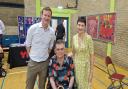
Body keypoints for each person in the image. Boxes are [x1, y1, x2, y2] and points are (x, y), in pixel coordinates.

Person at [25, 7, 56, 89]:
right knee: (29, 86)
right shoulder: (32, 29)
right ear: (41, 15)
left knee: (42, 86)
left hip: (44, 64)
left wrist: (44, 56)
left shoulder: (52, 32)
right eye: (45, 15)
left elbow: (50, 47)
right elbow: (27, 45)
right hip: (33, 63)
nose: (46, 17)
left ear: (50, 17)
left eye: (48, 16)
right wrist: (32, 56)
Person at [72, 17, 94, 89]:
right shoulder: (74, 38)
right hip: (76, 66)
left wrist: (91, 72)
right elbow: (73, 53)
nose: (80, 27)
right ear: (76, 25)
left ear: (85, 27)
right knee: (77, 85)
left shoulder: (88, 38)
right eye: (79, 25)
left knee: (85, 86)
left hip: (85, 67)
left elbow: (92, 55)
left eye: (82, 25)